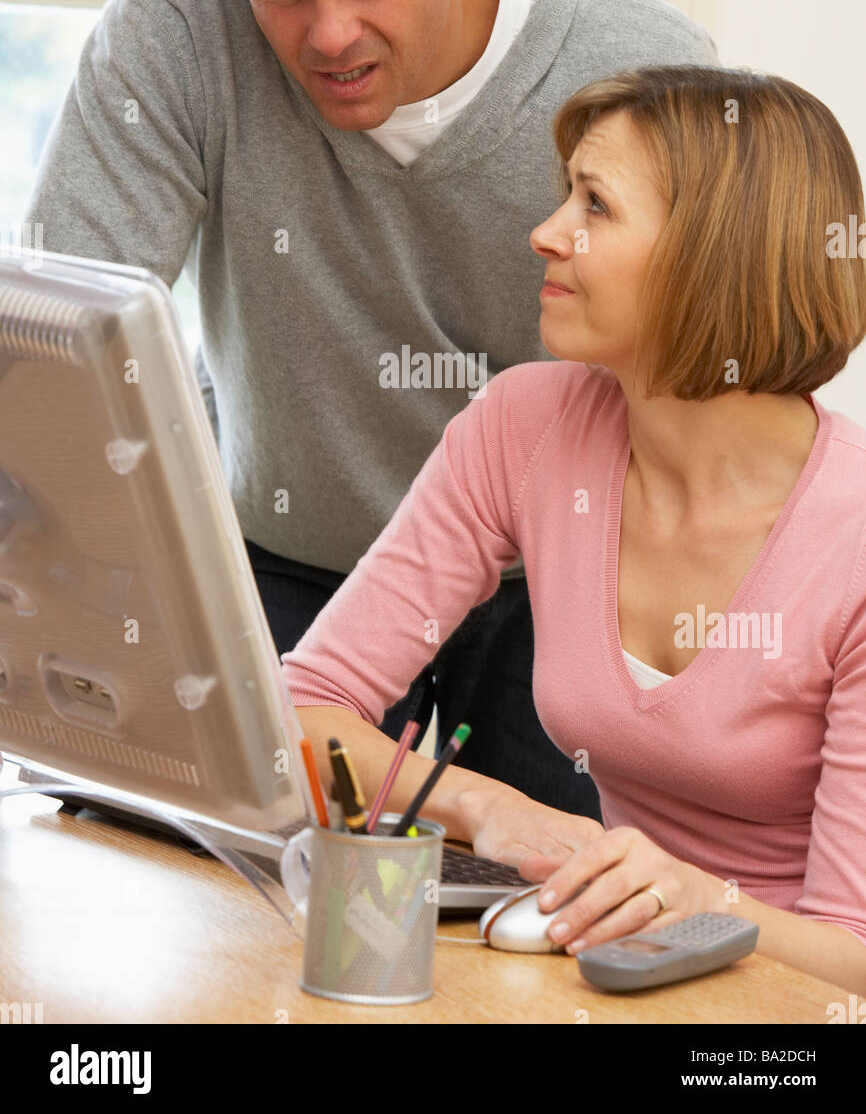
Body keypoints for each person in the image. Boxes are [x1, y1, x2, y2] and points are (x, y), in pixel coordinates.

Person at [23, 0, 718, 816]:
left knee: (563, 884)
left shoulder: (647, 72)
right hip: (280, 545)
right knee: (187, 846)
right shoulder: (179, 24)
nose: (328, 33)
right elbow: (63, 338)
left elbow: (705, 382)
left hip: (558, 575)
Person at [283, 64, 866, 992]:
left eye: (596, 205)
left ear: (715, 254)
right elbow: (300, 707)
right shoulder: (525, 426)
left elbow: (855, 955)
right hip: (609, 972)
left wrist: (695, 898)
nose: (546, 232)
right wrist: (484, 807)